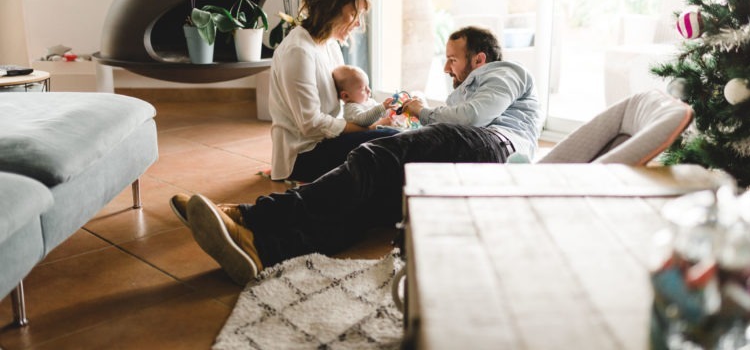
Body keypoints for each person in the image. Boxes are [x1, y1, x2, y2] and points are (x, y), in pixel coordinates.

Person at [171, 26, 544, 285]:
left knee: (373, 155)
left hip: (494, 148)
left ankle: (249, 215)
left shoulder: (504, 71)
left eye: (453, 59)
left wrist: (421, 112)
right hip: (473, 154)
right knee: (367, 201)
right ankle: (262, 248)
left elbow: (473, 120)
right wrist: (423, 115)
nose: (447, 67)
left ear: (479, 59)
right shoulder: (468, 90)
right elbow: (460, 120)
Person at [268, 0, 398, 183]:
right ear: (333, 7)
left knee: (401, 139)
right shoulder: (298, 51)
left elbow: (349, 98)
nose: (358, 23)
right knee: (393, 142)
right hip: (303, 155)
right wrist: (372, 126)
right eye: (355, 13)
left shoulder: (329, 44)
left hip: (327, 141)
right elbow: (310, 125)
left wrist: (382, 112)